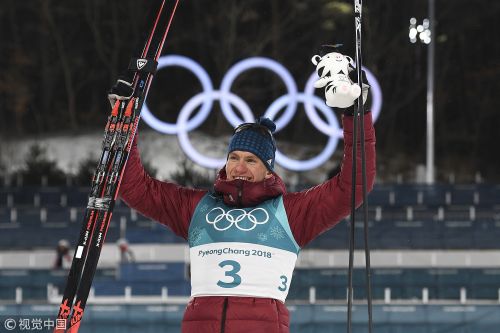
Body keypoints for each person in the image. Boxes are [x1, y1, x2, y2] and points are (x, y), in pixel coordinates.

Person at [118, 52, 376, 333]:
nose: (239, 166)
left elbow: (353, 186)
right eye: (234, 157)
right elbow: (135, 188)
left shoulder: (290, 213)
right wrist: (125, 123)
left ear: (268, 170)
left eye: (251, 160)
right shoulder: (197, 208)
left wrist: (356, 114)